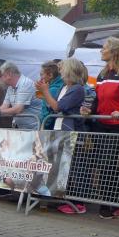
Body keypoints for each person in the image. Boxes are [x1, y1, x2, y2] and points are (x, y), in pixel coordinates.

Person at [80, 37, 119, 219]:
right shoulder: (103, 73)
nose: (101, 51)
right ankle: (114, 203)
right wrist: (89, 109)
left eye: (104, 48)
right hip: (101, 123)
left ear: (114, 51)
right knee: (106, 163)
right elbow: (97, 98)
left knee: (108, 162)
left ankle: (108, 204)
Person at [38, 58, 89, 215]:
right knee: (64, 166)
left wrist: (46, 92)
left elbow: (59, 106)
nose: (60, 72)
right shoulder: (65, 87)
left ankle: (78, 202)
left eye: (62, 69)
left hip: (72, 131)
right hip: (61, 130)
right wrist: (46, 95)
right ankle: (64, 198)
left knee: (76, 168)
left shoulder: (77, 89)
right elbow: (53, 106)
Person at [0, 62, 42, 129]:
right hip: (23, 128)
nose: (1, 79)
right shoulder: (10, 87)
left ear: (9, 74)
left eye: (2, 76)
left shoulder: (25, 84)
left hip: (35, 127)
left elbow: (18, 109)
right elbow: (4, 106)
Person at [36, 60, 64, 129]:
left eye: (42, 74)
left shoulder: (52, 90)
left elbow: (48, 111)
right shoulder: (59, 85)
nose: (41, 78)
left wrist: (43, 124)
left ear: (50, 75)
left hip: (48, 127)